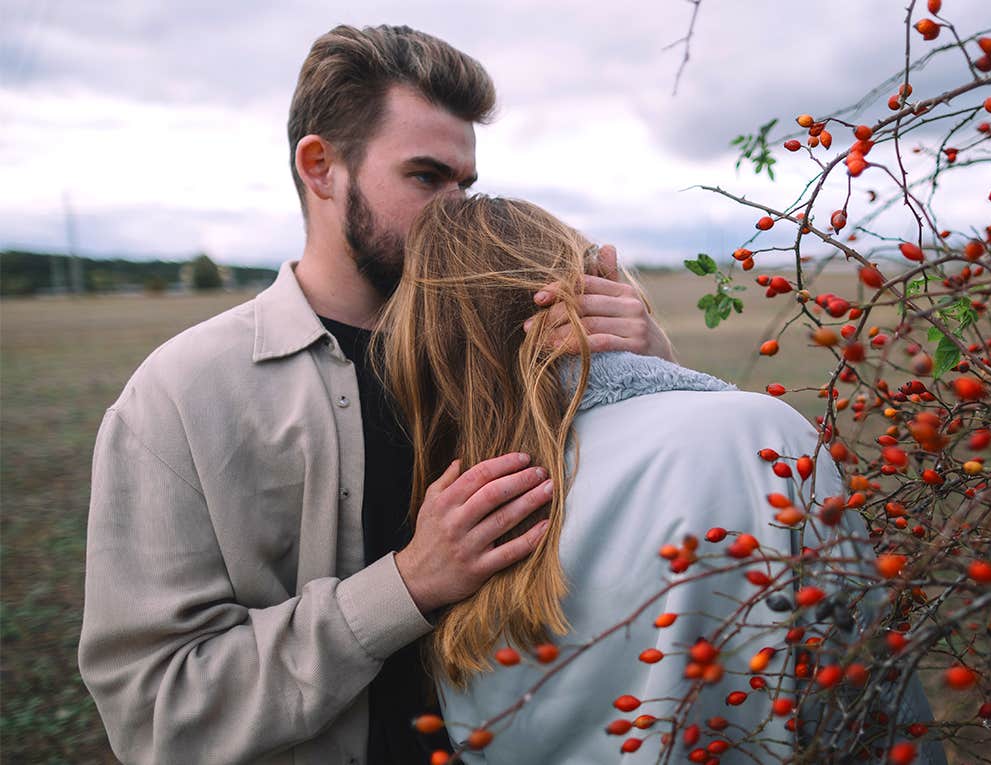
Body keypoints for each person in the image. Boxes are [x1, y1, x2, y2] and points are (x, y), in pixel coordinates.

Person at [78, 25, 675, 765]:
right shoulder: (180, 396)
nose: (457, 211)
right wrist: (408, 584)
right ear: (321, 167)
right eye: (427, 178)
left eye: (467, 185)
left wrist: (647, 367)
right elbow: (157, 708)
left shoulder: (516, 349)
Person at [374, 193, 947, 764]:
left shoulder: (455, 525)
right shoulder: (763, 436)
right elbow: (865, 703)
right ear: (596, 286)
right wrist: (671, 375)